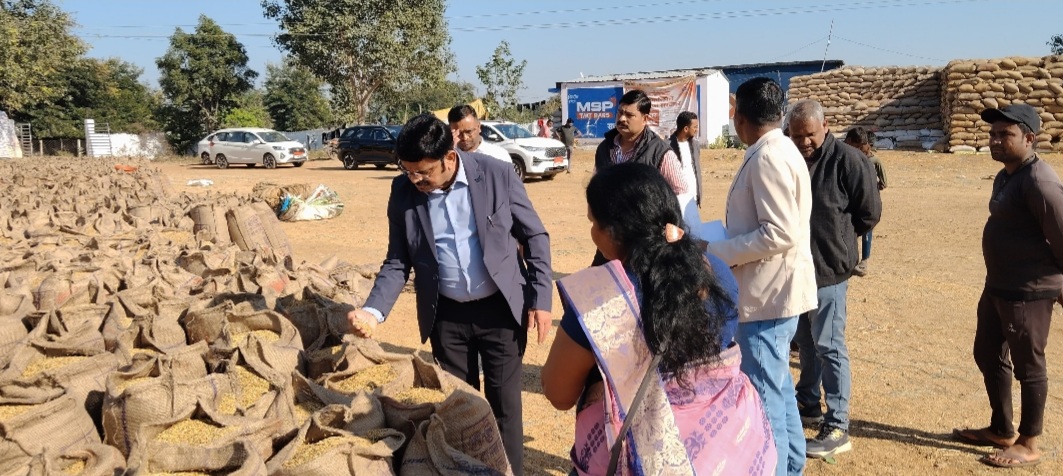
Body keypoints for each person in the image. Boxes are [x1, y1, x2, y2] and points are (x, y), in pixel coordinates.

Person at [346, 114, 554, 475]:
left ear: (449, 157)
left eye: (423, 173)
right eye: (408, 171)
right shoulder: (403, 192)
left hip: (501, 312)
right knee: (459, 407)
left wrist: (541, 298)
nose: (416, 180)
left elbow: (535, 236)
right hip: (446, 316)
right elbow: (398, 260)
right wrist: (373, 311)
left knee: (503, 408)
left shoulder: (497, 175)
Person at [541, 162, 776, 475]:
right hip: (719, 450)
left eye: (594, 223)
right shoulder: (715, 271)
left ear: (613, 233)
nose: (592, 232)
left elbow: (559, 394)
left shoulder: (600, 301)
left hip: (636, 459)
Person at [703, 77, 818, 476]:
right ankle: (791, 464)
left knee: (765, 399)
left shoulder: (769, 155)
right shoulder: (778, 148)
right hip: (774, 292)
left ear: (740, 117)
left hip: (768, 295)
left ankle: (781, 468)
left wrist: (716, 250)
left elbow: (779, 231)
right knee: (779, 389)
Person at [951, 104, 1063, 469]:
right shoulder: (1006, 175)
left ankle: (1029, 441)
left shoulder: (1040, 181)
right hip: (998, 285)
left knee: (1030, 367)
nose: (995, 141)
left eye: (1005, 135)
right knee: (987, 353)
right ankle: (1001, 428)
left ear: (1029, 139)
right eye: (993, 134)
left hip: (1028, 291)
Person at [786, 99, 880, 459]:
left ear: (825, 127)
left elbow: (869, 212)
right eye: (796, 135)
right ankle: (807, 401)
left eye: (809, 135)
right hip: (797, 268)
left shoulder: (849, 160)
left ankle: (837, 424)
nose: (803, 142)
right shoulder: (790, 156)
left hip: (829, 269)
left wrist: (839, 239)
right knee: (806, 342)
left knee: (829, 345)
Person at [592, 89, 689, 265]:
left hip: (644, 246)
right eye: (620, 112)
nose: (622, 119)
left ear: (645, 119)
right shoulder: (604, 149)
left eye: (629, 115)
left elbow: (681, 191)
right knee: (604, 286)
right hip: (609, 241)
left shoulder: (660, 151)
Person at [844, 127, 887, 277]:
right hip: (848, 198)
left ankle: (864, 261)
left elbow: (882, 182)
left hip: (864, 197)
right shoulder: (841, 156)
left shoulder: (871, 160)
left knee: (866, 227)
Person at [669, 111, 704, 229]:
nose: (697, 130)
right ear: (685, 128)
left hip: (692, 198)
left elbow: (696, 170)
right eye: (695, 127)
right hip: (677, 200)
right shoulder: (667, 147)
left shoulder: (695, 145)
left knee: (694, 232)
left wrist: (699, 194)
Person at [447, 104, 512, 164]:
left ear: (479, 127)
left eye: (469, 132)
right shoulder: (446, 157)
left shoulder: (498, 155)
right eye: (459, 133)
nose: (464, 137)